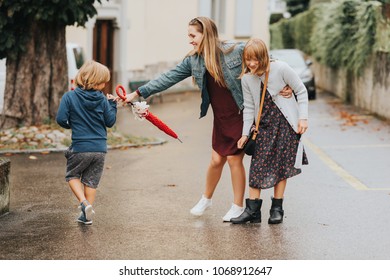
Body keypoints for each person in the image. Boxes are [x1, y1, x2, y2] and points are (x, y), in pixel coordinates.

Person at [122, 17, 291, 222]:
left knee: (233, 159)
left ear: (206, 34)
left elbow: (267, 59)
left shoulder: (234, 50)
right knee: (215, 160)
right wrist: (137, 93)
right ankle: (206, 198)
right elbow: (168, 77)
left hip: (241, 113)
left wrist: (285, 84)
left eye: (193, 35)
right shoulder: (194, 60)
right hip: (221, 117)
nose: (190, 40)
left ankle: (238, 206)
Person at [231, 38, 309, 224]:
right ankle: (253, 211)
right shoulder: (247, 78)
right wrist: (244, 134)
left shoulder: (281, 68)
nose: (251, 64)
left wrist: (303, 118)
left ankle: (277, 209)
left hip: (284, 125)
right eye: (248, 59)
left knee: (282, 167)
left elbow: (301, 90)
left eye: (255, 59)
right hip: (263, 128)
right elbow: (249, 107)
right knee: (257, 167)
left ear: (264, 57)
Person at [56, 60, 117, 225]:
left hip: (80, 147)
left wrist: (72, 124)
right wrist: (113, 105)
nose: (105, 84)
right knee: (91, 181)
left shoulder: (70, 96)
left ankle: (84, 203)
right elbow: (110, 122)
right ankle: (86, 215)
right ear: (95, 81)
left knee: (72, 175)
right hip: (100, 149)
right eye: (103, 81)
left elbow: (61, 119)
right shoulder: (103, 100)